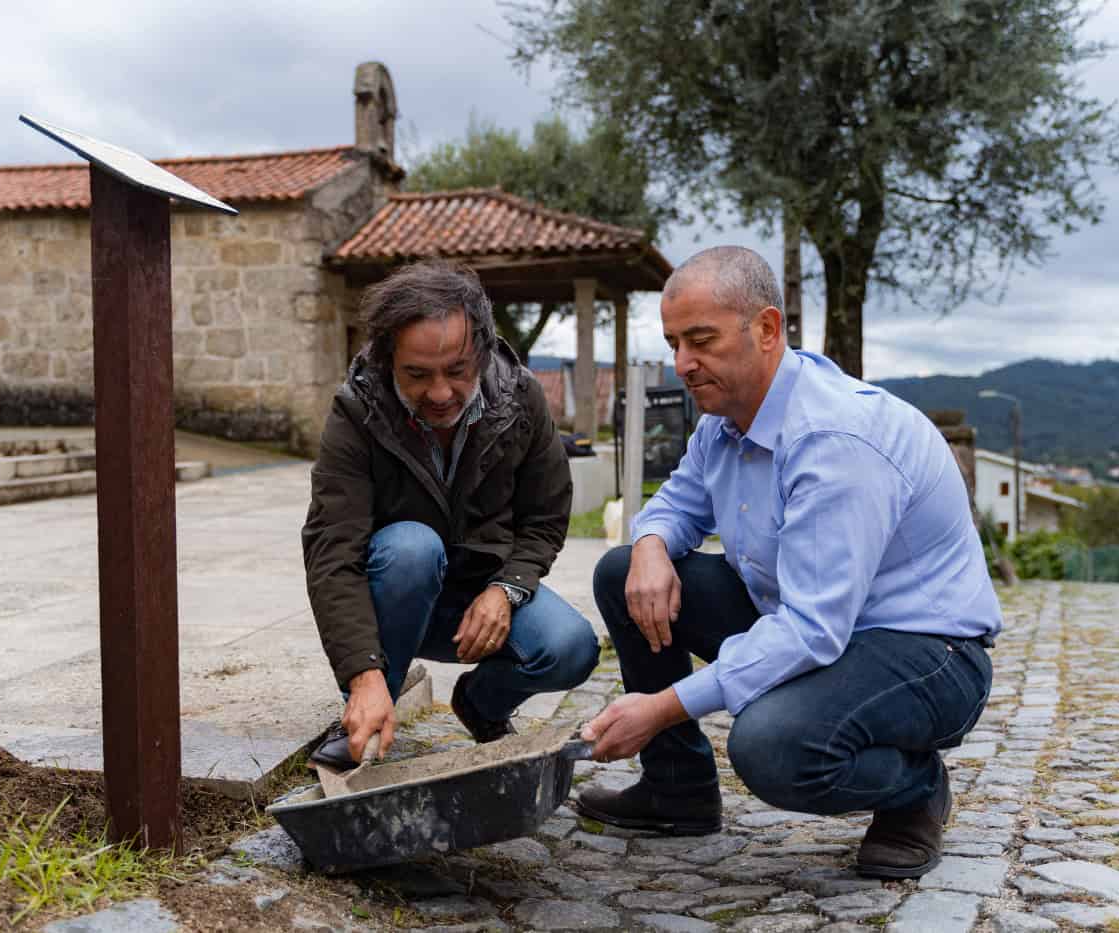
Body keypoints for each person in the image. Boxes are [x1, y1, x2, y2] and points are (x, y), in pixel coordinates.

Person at [580, 246, 1000, 879]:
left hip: (928, 651)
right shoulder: (723, 419)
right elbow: (676, 503)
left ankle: (914, 789)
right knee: (622, 575)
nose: (683, 364)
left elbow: (811, 629)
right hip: (815, 622)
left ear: (767, 329)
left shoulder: (834, 440)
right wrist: (649, 545)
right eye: (673, 344)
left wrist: (661, 706)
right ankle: (677, 789)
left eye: (701, 341)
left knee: (771, 744)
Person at [302, 260, 600, 769]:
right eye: (417, 375)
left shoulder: (520, 397)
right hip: (396, 596)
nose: (440, 394)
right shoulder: (357, 411)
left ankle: (481, 704)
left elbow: (545, 518)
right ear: (389, 359)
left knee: (570, 646)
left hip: (480, 599)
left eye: (457, 371)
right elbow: (333, 551)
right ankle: (369, 711)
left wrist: (507, 588)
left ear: (480, 352)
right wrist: (363, 675)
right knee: (412, 548)